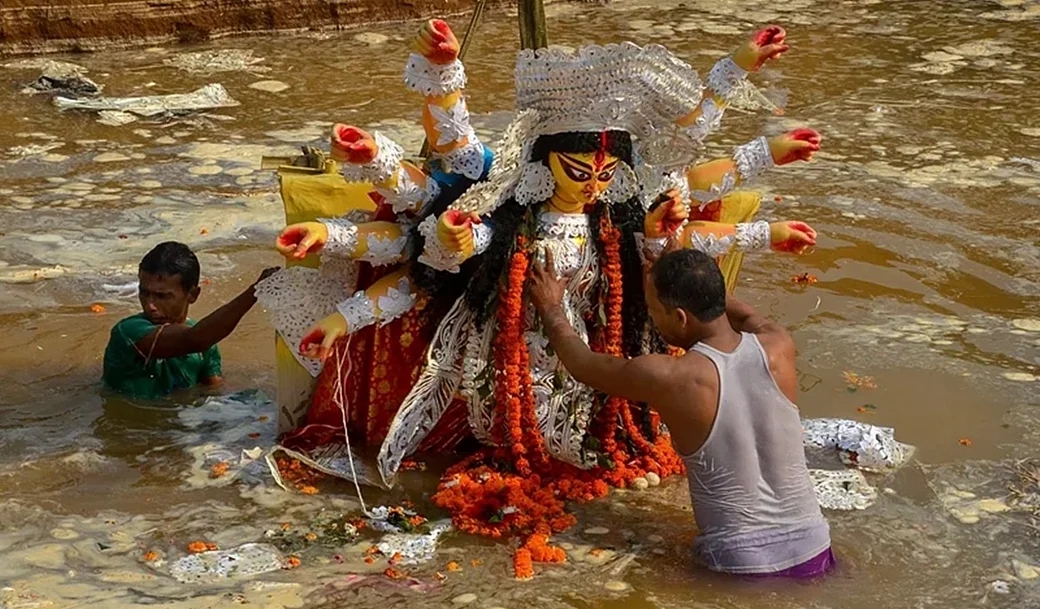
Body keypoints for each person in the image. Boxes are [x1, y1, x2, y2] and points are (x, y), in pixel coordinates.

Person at [528, 245, 835, 579]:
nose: (652, 319)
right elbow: (746, 315)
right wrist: (687, 274)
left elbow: (583, 365)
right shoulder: (778, 345)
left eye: (653, 310)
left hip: (737, 562)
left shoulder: (670, 377)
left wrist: (551, 306)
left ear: (679, 317)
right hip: (815, 549)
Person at [102, 241, 278, 399]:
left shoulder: (206, 344)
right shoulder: (128, 331)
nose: (150, 305)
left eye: (162, 296)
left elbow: (214, 393)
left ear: (192, 295)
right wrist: (255, 291)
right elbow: (193, 339)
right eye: (144, 293)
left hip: (180, 427)